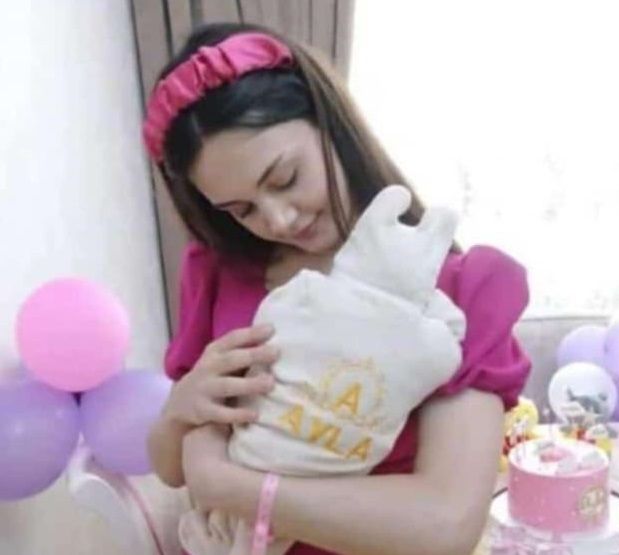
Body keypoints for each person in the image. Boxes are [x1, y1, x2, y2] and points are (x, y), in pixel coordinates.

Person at [145, 21, 531, 555]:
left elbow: (446, 524)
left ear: (330, 124)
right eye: (241, 210)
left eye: (285, 179)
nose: (278, 220)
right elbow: (170, 468)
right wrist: (179, 411)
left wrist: (232, 487)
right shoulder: (218, 272)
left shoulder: (453, 295)